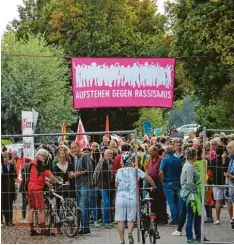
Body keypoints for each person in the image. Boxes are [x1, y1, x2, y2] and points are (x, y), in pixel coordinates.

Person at [115, 151, 156, 244]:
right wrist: (154, 186)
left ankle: (122, 241)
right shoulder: (136, 170)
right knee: (130, 219)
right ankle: (129, 232)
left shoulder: (119, 171)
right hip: (132, 197)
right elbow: (148, 178)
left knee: (120, 220)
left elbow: (116, 184)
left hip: (120, 197)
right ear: (131, 161)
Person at [27, 149, 62, 236]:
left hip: (30, 188)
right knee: (41, 209)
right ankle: (44, 230)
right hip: (37, 189)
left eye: (45, 156)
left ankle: (32, 230)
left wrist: (46, 182)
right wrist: (58, 181)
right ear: (38, 155)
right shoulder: (40, 163)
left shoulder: (32, 163)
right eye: (42, 155)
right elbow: (48, 173)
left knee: (31, 209)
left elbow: (36, 176)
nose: (44, 157)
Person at [180, 148, 202, 243]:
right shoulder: (189, 167)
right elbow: (189, 182)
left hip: (188, 193)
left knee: (194, 215)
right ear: (193, 156)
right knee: (191, 216)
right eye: (196, 155)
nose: (197, 157)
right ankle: (190, 237)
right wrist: (196, 189)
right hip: (190, 195)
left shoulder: (187, 165)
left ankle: (198, 236)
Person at [70, 141, 93, 234]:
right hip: (78, 184)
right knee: (79, 206)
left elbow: (90, 169)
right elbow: (77, 170)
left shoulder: (85, 156)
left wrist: (77, 173)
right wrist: (72, 173)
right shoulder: (75, 158)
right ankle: (83, 226)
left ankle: (85, 227)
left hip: (85, 184)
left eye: (75, 147)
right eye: (72, 148)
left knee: (83, 206)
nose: (73, 150)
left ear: (79, 147)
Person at [160, 146, 182, 225]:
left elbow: (161, 172)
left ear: (166, 152)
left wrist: (162, 180)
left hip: (168, 182)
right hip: (177, 181)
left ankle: (174, 219)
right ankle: (179, 218)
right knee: (178, 201)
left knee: (171, 202)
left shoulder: (164, 160)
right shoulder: (178, 160)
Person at [93, 149, 114, 228]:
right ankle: (106, 222)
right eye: (108, 153)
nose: (110, 155)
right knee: (106, 202)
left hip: (110, 185)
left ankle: (107, 220)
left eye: (111, 153)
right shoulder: (101, 163)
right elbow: (95, 174)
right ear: (104, 155)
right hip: (102, 185)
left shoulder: (112, 163)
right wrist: (95, 184)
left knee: (108, 203)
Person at [148, 146, 167, 224]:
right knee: (153, 201)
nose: (150, 153)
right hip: (152, 182)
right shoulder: (150, 160)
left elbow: (162, 171)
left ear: (156, 151)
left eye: (151, 151)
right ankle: (154, 218)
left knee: (160, 200)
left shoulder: (161, 160)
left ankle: (162, 218)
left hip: (158, 182)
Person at [1, 151, 17, 226]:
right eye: (3, 155)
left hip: (10, 188)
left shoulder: (11, 164)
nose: (4, 156)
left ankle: (9, 221)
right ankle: (1, 221)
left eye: (6, 155)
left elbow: (15, 175)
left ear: (8, 156)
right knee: (2, 205)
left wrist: (14, 166)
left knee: (9, 205)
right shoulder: (1, 166)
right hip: (2, 189)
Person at [223, 140, 234, 230]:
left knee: (232, 199)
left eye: (229, 149)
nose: (228, 152)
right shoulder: (231, 157)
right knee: (231, 198)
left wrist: (230, 175)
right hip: (230, 180)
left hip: (232, 180)